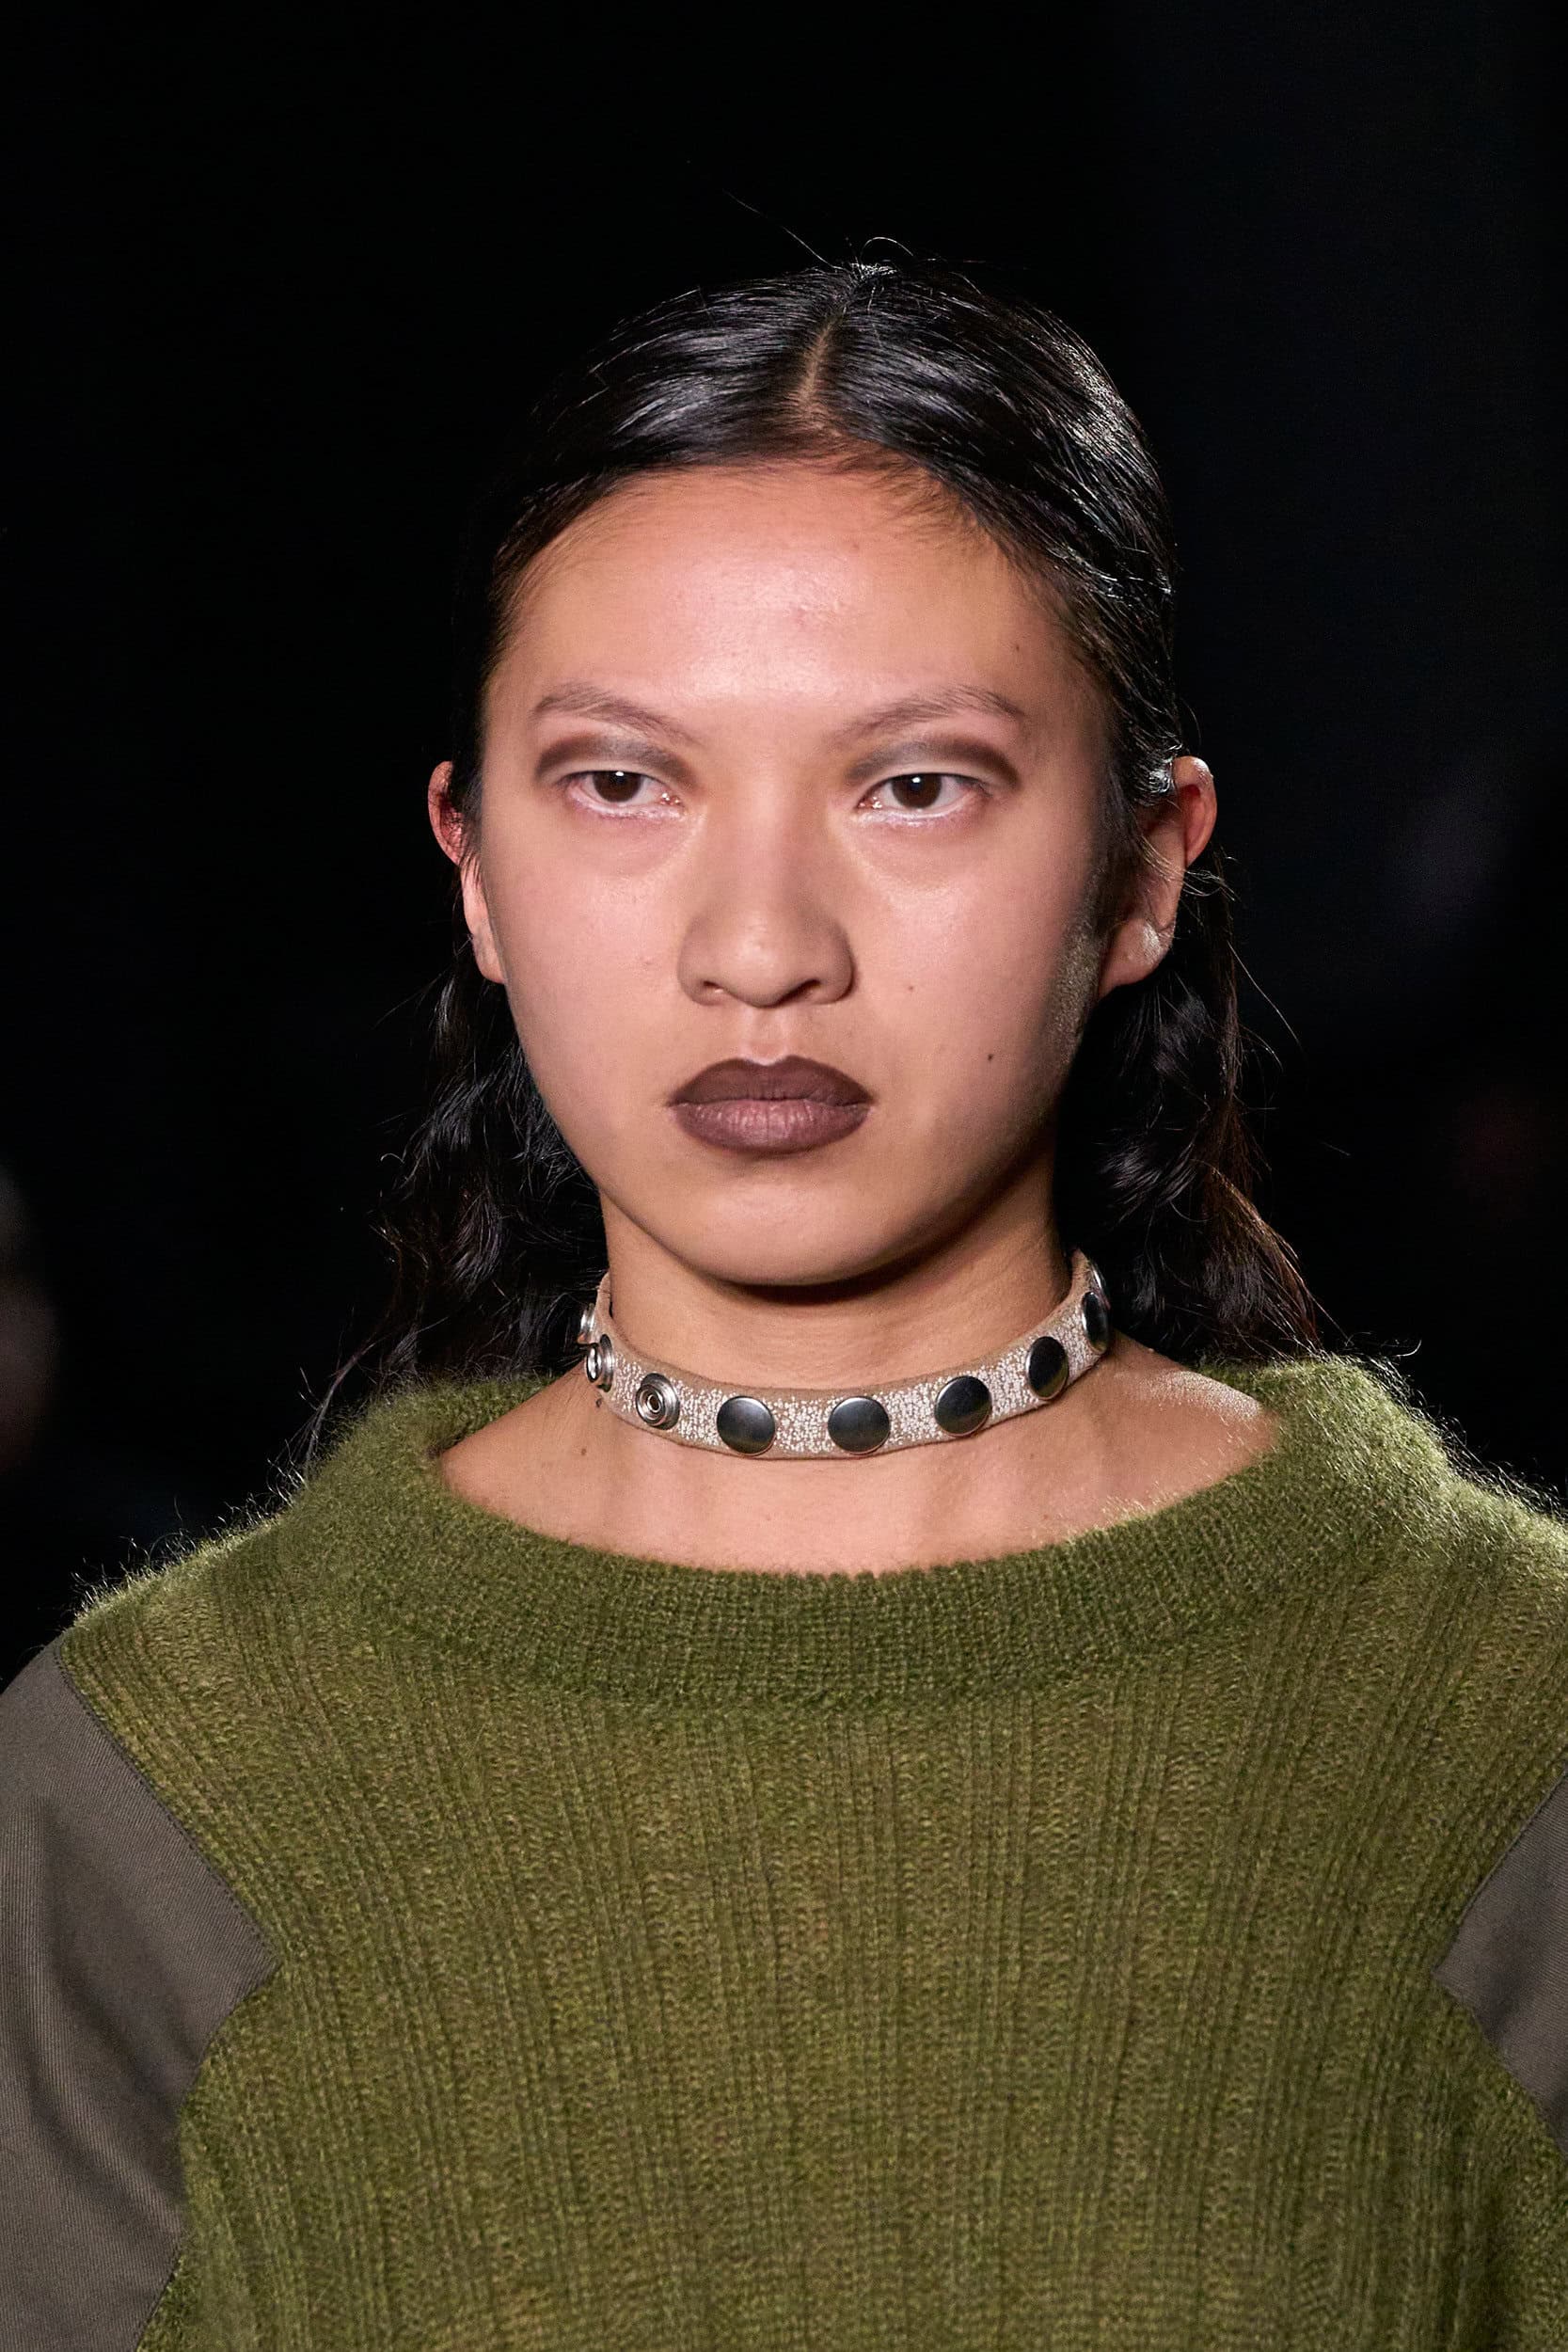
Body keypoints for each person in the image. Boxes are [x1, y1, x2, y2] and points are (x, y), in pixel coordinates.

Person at [3, 262, 1565, 2350]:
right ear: (472, 862)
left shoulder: (1500, 1725)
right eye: (622, 782)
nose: (759, 946)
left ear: (1143, 868)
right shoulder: (157, 1786)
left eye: (914, 784)